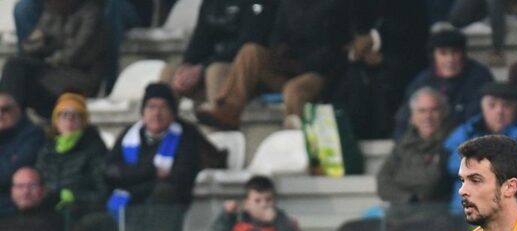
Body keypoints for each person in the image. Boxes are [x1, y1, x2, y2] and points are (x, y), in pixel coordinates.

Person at [338, 88, 453, 231]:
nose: (427, 116)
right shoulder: (404, 144)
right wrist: (410, 196)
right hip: (399, 216)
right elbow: (383, 183)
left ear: (443, 114)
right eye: (422, 111)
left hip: (433, 222)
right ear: (413, 117)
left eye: (433, 110)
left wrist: (401, 184)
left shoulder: (452, 143)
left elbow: (431, 182)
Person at [101, 83, 204, 231]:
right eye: (151, 107)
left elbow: (180, 179)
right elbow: (109, 172)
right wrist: (151, 172)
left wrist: (132, 181)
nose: (157, 114)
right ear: (142, 111)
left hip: (168, 213)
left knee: (162, 192)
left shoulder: (187, 136)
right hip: (132, 209)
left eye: (163, 107)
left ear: (173, 112)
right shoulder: (129, 135)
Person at [195, 0, 352, 130]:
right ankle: (229, 108)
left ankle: (296, 142)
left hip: (318, 73)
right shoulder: (289, 4)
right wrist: (280, 48)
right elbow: (277, 36)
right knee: (251, 51)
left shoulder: (336, 5)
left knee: (294, 90)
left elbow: (335, 49)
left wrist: (302, 63)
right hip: (289, 66)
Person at [35, 93, 113, 231]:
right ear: (56, 121)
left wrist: (74, 198)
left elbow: (103, 192)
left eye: (76, 115)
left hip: (82, 215)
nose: (69, 120)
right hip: (50, 214)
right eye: (64, 115)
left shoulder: (94, 150)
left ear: (84, 121)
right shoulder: (46, 152)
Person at [334, 0, 430, 141]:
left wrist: (375, 43)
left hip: (403, 61)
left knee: (386, 81)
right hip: (358, 63)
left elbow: (414, 32)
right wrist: (360, 52)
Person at [444, 82, 517, 203]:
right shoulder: (463, 134)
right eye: (492, 105)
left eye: (507, 105)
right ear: (482, 107)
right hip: (459, 216)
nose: (499, 111)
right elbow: (449, 167)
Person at [0, 0, 108, 118]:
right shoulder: (53, 11)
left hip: (79, 78)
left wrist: (49, 53)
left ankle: (9, 118)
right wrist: (38, 43)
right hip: (53, 71)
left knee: (19, 75)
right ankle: (8, 115)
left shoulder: (91, 13)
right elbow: (31, 46)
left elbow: (78, 54)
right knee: (15, 67)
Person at [161, 0, 278, 106]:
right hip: (210, 64)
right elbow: (200, 38)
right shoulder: (211, 3)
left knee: (216, 71)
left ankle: (218, 126)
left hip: (246, 71)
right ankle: (161, 127)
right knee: (170, 72)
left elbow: (247, 43)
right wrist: (188, 65)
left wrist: (201, 67)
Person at [396, 26, 494, 131]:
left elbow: (477, 119)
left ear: (463, 54)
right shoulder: (421, 82)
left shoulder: (480, 77)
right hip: (427, 142)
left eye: (455, 52)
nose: (450, 59)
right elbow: (404, 119)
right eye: (443, 53)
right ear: (433, 56)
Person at [0, 92, 46, 220]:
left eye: (5, 110)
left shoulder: (32, 135)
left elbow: (9, 173)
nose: (1, 114)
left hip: (17, 201)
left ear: (18, 110)